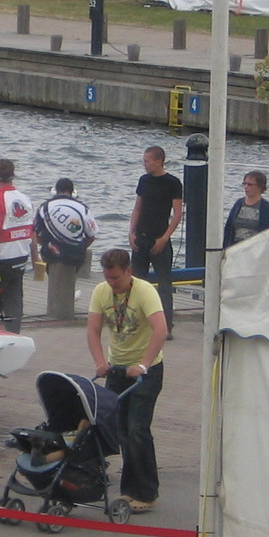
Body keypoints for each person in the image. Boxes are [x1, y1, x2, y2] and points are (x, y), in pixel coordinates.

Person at [87, 247, 169, 513]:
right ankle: (130, 489)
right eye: (108, 279)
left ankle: (146, 492)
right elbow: (93, 328)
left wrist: (144, 364)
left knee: (137, 429)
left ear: (129, 272)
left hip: (147, 369)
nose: (112, 284)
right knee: (122, 430)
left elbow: (161, 330)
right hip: (117, 368)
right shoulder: (101, 292)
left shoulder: (144, 291)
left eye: (117, 279)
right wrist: (100, 362)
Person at [129, 146, 183, 339]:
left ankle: (166, 327)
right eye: (144, 160)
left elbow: (177, 214)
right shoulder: (144, 181)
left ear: (159, 161)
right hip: (141, 235)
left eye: (147, 160)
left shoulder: (172, 183)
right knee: (136, 282)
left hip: (160, 236)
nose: (145, 164)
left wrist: (165, 237)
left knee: (164, 284)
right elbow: (137, 208)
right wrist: (131, 232)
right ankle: (136, 323)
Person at [0, 158, 37, 333]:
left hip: (2, 258)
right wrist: (36, 258)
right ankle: (14, 334)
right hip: (21, 256)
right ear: (13, 176)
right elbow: (32, 231)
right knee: (15, 298)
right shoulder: (25, 199)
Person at [34, 178, 98, 321]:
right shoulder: (83, 208)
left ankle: (61, 301)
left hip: (50, 253)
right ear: (71, 191)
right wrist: (80, 247)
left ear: (56, 190)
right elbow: (92, 235)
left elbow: (34, 232)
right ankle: (68, 296)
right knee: (68, 273)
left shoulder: (44, 207)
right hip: (75, 255)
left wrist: (44, 244)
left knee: (55, 273)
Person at [223, 170, 269, 247]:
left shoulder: (268, 208)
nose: (246, 187)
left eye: (250, 184)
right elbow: (228, 228)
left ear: (260, 187)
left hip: (255, 251)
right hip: (235, 250)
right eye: (244, 184)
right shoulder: (238, 203)